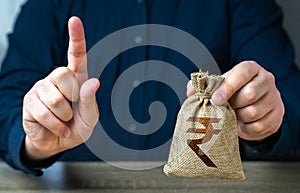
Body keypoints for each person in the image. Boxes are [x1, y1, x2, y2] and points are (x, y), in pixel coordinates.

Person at [0, 0, 300, 176]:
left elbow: (291, 102)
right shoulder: (50, 4)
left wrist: (266, 119)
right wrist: (34, 139)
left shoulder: (241, 4)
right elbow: (7, 101)